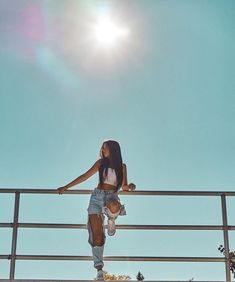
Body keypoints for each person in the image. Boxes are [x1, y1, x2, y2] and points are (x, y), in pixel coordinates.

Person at [57, 140, 136, 280]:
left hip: (111, 196)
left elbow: (123, 186)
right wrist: (66, 187)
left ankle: (111, 219)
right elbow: (84, 176)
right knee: (97, 235)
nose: (102, 150)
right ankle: (99, 269)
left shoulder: (122, 167)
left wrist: (130, 186)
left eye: (104, 148)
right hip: (97, 197)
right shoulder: (101, 163)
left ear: (112, 149)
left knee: (114, 205)